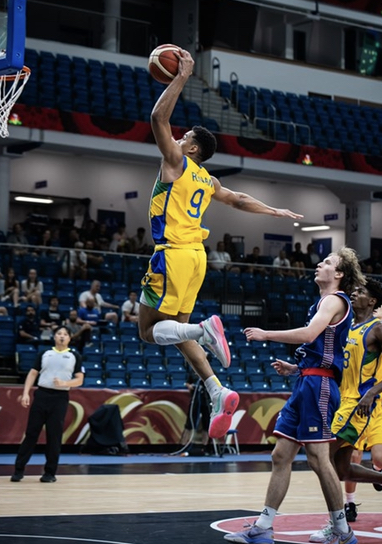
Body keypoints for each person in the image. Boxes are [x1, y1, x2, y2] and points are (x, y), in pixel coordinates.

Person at [138, 46, 302, 443]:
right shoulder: (208, 180)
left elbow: (158, 116)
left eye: (185, 137)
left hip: (173, 254)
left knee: (147, 330)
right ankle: (217, 389)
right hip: (197, 258)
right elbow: (240, 200)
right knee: (176, 330)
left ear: (191, 148)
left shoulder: (176, 162)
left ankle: (205, 330)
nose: (178, 137)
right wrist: (274, 212)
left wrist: (181, 78)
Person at [227, 248, 363, 544]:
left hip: (320, 387)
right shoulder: (322, 302)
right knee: (281, 454)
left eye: (327, 262)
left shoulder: (335, 300)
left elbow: (309, 335)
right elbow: (319, 348)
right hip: (307, 381)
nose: (319, 264)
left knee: (318, 458)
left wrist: (266, 334)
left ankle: (342, 529)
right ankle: (263, 527)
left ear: (339, 274)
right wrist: (295, 367)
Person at [318, 291, 382, 535]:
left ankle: (338, 523)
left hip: (371, 404)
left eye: (362, 293)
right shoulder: (352, 329)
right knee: (342, 466)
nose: (354, 295)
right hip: (348, 402)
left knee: (332, 459)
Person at [11, 326, 85, 483]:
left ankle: (50, 473)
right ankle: (18, 470)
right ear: (54, 337)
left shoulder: (74, 355)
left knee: (54, 436)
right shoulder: (45, 353)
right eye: (59, 334)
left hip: (60, 398)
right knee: (31, 433)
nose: (62, 336)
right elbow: (33, 373)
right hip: (41, 395)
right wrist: (25, 393)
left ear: (70, 338)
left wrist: (65, 382)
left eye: (65, 334)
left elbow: (79, 379)